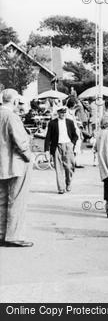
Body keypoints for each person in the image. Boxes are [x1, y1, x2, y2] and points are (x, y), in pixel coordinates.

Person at [0, 89, 33, 247]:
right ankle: (14, 235)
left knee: (2, 200)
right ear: (14, 101)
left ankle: (1, 234)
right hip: (15, 164)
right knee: (16, 200)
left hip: (1, 165)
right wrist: (28, 156)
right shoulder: (11, 117)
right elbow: (20, 141)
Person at [45, 106, 78, 194]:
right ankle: (61, 188)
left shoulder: (70, 122)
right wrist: (47, 150)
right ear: (58, 113)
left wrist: (72, 143)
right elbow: (48, 137)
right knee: (58, 168)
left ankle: (68, 183)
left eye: (64, 113)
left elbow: (75, 135)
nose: (63, 114)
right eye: (61, 113)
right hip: (56, 146)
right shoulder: (52, 123)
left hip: (68, 146)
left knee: (69, 167)